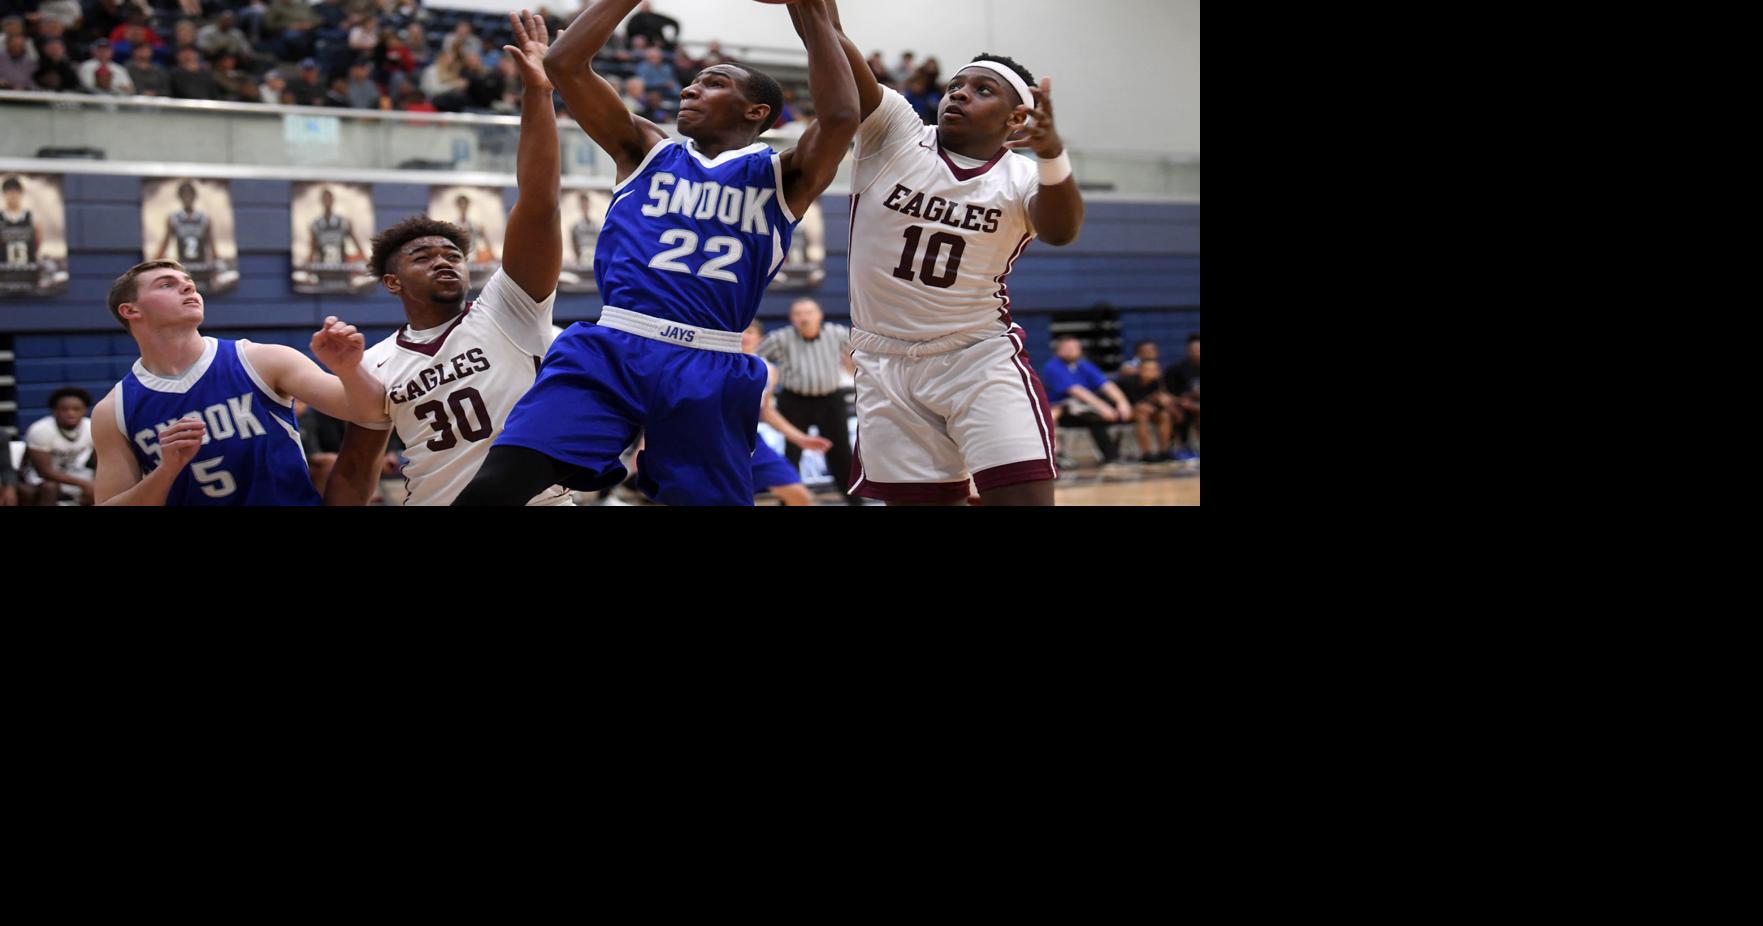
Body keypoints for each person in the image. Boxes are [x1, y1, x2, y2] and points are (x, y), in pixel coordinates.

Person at [452, 0, 858, 506]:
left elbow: (842, 115)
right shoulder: (646, 148)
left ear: (756, 111)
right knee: (497, 485)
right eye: (692, 82)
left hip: (710, 361)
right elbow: (564, 64)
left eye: (713, 83)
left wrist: (810, 9)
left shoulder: (784, 176)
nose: (689, 89)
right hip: (615, 346)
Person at [807, 0, 1086, 505]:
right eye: (956, 85)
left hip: (976, 357)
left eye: (983, 90)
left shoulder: (1023, 176)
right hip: (882, 360)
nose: (960, 93)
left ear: (1017, 117)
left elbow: (1062, 231)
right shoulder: (895, 131)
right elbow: (832, 36)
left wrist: (1051, 154)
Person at [323, 9, 570, 507]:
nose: (443, 261)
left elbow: (539, 203)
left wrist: (538, 93)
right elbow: (354, 471)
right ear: (392, 282)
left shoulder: (508, 309)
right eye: (422, 256)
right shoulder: (373, 363)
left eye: (452, 254)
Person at [88, 259, 388, 505]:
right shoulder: (114, 410)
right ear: (131, 310)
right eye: (167, 284)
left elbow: (370, 412)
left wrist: (348, 370)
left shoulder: (263, 360)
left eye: (188, 282)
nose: (188, 286)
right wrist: (165, 471)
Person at [756, 297, 858, 503]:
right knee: (792, 453)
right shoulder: (779, 338)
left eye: (809, 313)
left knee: (841, 452)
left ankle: (854, 501)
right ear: (791, 318)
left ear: (820, 315)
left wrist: (853, 370)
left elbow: (858, 356)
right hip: (794, 400)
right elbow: (758, 359)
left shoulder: (837, 333)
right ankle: (789, 500)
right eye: (798, 313)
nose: (804, 318)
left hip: (830, 399)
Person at [744, 319, 830, 507]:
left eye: (749, 332)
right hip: (719, 438)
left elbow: (766, 412)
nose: (744, 336)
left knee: (798, 494)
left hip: (750, 441)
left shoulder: (769, 370)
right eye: (741, 331)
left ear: (760, 338)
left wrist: (801, 439)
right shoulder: (719, 362)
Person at [1043, 335, 1131, 464]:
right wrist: (1103, 407)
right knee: (1054, 415)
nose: (1075, 351)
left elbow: (1106, 385)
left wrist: (1122, 402)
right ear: (1059, 351)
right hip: (1060, 408)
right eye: (1070, 348)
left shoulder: (1084, 365)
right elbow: (1076, 391)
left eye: (1077, 347)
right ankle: (1055, 456)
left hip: (1083, 408)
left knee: (1095, 418)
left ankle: (1111, 456)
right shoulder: (1052, 367)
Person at [21, 387, 95, 505]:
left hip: (73, 471)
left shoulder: (91, 426)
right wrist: (83, 484)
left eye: (76, 409)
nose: (71, 413)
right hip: (40, 477)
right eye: (64, 409)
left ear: (85, 410)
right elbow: (44, 472)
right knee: (50, 487)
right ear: (55, 411)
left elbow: (100, 461)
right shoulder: (40, 429)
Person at [154, 181, 215, 264]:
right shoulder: (173, 218)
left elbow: (211, 245)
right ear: (180, 196)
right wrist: (155, 260)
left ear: (194, 196)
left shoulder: (204, 218)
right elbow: (165, 244)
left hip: (201, 265)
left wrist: (216, 259)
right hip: (183, 265)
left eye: (190, 194)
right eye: (184, 194)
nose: (187, 197)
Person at [308, 187, 366, 265]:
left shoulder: (343, 222)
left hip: (341, 266)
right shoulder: (316, 224)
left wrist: (363, 257)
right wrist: (309, 263)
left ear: (333, 200)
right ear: (321, 201)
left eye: (329, 198)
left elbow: (354, 241)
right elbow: (312, 249)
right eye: (325, 198)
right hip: (323, 267)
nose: (327, 201)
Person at [2, 176, 40, 269]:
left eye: (15, 192)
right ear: (4, 194)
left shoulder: (32, 217)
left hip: (27, 268)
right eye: (9, 192)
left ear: (21, 193)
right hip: (4, 269)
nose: (12, 196)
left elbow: (38, 241)